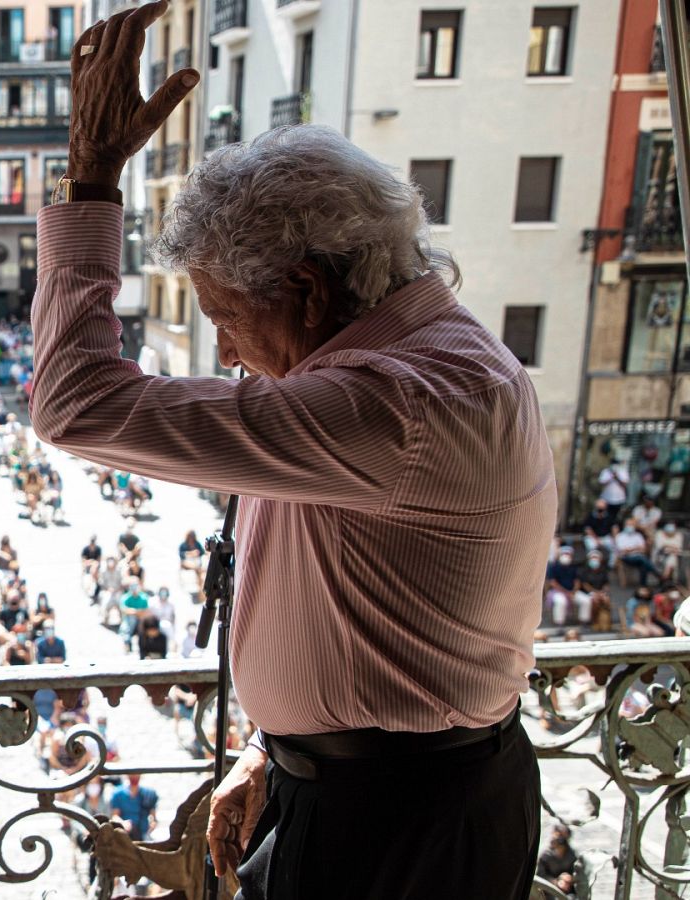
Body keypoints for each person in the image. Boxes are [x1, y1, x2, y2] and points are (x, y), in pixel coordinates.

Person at [34, 10, 546, 896]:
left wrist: (92, 180)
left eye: (226, 317)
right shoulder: (419, 364)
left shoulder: (394, 405)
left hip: (392, 821)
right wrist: (278, 747)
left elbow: (75, 402)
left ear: (306, 290)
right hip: (376, 789)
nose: (226, 352)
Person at [107, 773, 159, 842]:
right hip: (125, 836)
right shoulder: (118, 793)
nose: (134, 776)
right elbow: (115, 816)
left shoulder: (149, 793)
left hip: (144, 836)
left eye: (137, 773)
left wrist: (152, 824)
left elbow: (153, 817)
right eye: (132, 774)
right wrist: (123, 823)